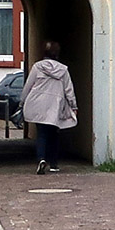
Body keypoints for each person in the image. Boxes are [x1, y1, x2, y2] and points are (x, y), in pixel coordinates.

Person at [19, 41, 77, 175]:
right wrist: (74, 106)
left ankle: (41, 159)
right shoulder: (63, 70)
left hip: (38, 104)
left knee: (42, 134)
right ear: (57, 54)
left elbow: (28, 86)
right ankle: (54, 164)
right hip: (55, 105)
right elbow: (69, 90)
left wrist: (22, 102)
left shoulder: (37, 67)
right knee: (54, 135)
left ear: (44, 53)